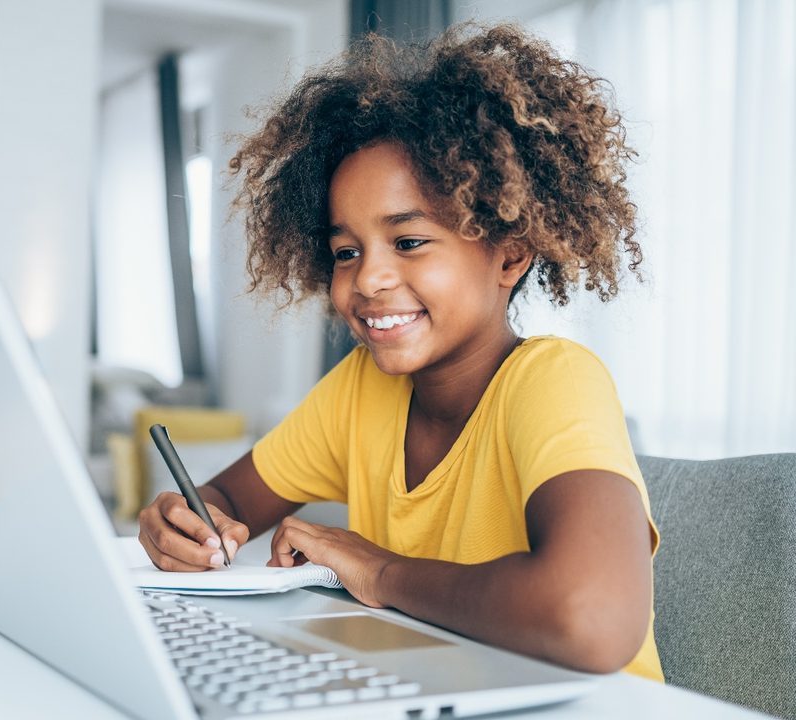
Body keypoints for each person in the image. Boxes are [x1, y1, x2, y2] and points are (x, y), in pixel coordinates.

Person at [137, 23, 663, 681]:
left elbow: (592, 618)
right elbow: (227, 503)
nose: (369, 279)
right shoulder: (361, 389)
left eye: (409, 242)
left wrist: (378, 570)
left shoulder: (554, 382)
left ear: (510, 253)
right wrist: (186, 521)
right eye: (346, 252)